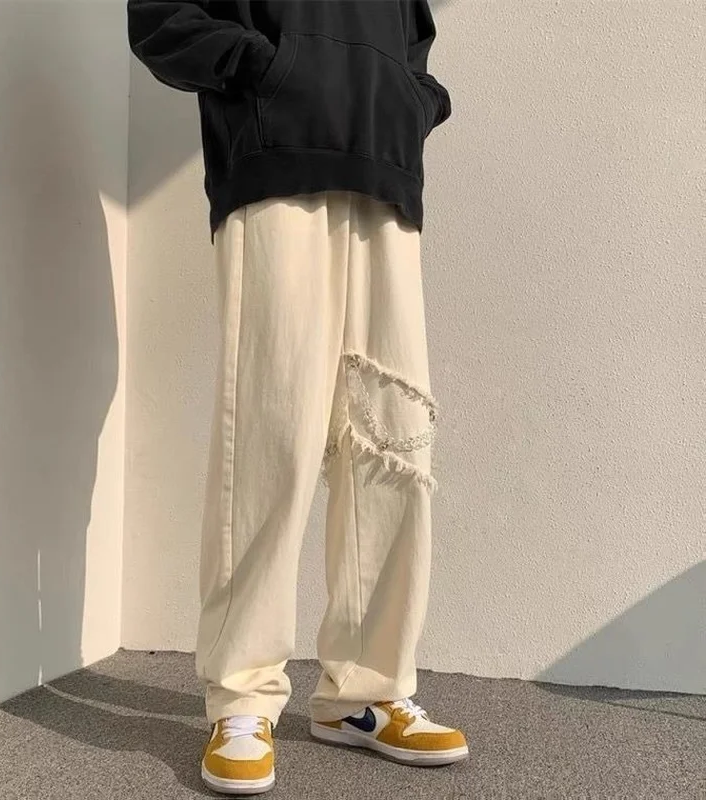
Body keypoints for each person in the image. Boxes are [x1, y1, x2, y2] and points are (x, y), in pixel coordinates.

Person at [127, 0, 468, 794]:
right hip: (275, 159)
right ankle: (242, 697)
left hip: (383, 169)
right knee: (270, 432)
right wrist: (271, 73)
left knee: (393, 440)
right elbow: (160, 19)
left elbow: (412, 35)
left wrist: (410, 102)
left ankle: (367, 691)